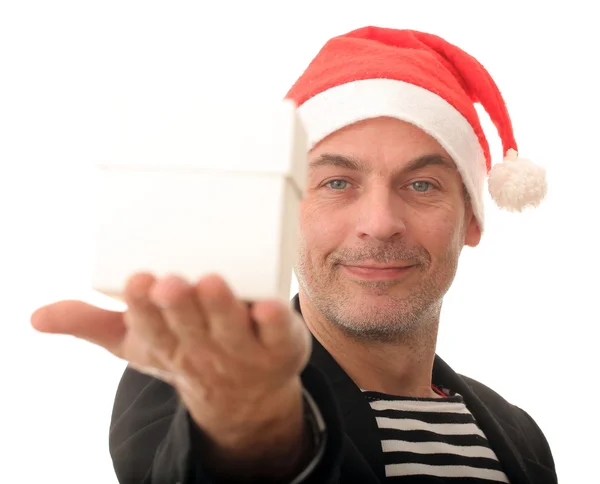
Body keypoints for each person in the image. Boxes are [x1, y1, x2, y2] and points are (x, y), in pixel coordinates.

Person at [31, 26, 557, 484]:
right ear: (286, 213)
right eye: (336, 182)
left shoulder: (522, 437)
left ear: (470, 219)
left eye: (421, 184)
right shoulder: (196, 376)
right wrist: (253, 429)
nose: (379, 223)